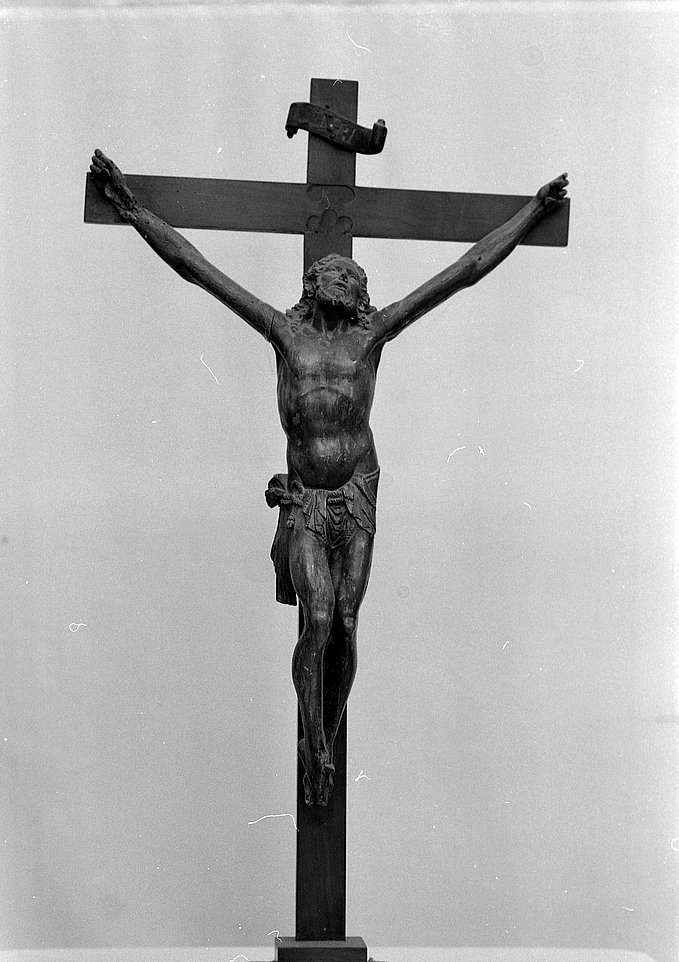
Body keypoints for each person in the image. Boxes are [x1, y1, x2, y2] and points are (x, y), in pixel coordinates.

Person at [90, 149, 568, 805]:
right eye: (334, 276)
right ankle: (313, 744)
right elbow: (197, 269)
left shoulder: (371, 336)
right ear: (316, 285)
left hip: (357, 493)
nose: (342, 282)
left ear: (358, 294)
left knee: (344, 621)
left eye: (351, 278)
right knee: (316, 618)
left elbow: (463, 271)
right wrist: (132, 208)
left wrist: (532, 212)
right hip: (309, 500)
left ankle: (328, 734)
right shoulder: (283, 332)